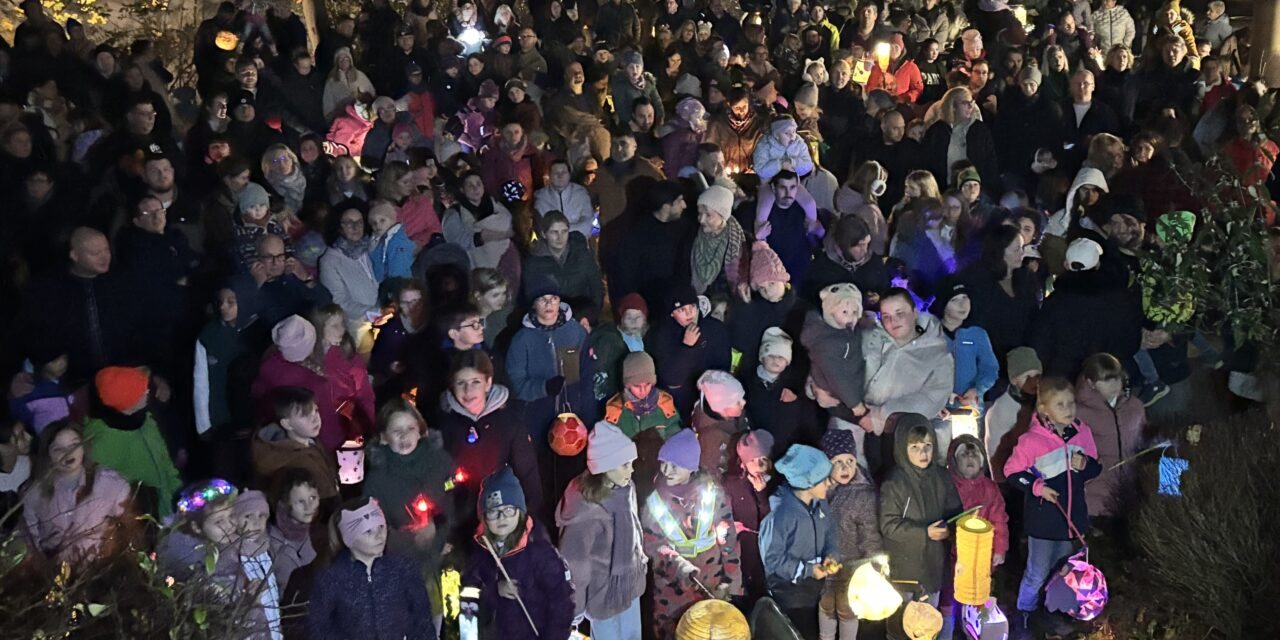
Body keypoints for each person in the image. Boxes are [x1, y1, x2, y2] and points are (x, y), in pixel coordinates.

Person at [1004, 377, 1101, 636]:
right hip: (1044, 521)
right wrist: (1037, 487)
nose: (1068, 409)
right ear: (1044, 409)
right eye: (1060, 404)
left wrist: (1086, 465)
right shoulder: (1031, 440)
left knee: (1063, 571)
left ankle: (1053, 612)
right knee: (1037, 572)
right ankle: (1024, 613)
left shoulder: (1082, 432)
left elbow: (1095, 466)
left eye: (1071, 403)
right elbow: (1012, 472)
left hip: (1071, 519)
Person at [362, 399, 456, 628]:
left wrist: (441, 531)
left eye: (410, 428)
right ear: (384, 437)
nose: (404, 436)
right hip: (405, 567)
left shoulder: (440, 462)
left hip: (447, 560)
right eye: (397, 431)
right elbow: (372, 527)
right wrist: (409, 537)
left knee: (452, 619)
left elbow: (456, 500)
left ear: (421, 431)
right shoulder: (378, 479)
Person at [555, 422, 648, 640]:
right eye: (625, 465)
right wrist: (574, 607)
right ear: (606, 467)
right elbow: (575, 565)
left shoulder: (626, 490)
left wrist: (640, 562)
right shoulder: (586, 510)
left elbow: (635, 531)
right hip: (602, 596)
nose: (632, 470)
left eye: (631, 463)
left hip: (629, 586)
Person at [463, 466, 575, 639]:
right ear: (484, 518)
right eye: (493, 512)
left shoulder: (539, 552)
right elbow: (469, 594)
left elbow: (562, 601)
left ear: (520, 512)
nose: (501, 517)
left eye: (508, 510)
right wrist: (494, 590)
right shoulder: (481, 552)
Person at [308, 497, 439, 639]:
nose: (379, 536)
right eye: (368, 531)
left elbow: (422, 621)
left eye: (381, 527)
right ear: (348, 539)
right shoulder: (331, 579)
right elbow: (319, 630)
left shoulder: (403, 569)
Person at [438, 350, 542, 527]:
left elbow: (527, 474)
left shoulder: (509, 423)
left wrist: (531, 517)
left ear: (488, 383)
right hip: (458, 518)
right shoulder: (444, 425)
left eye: (476, 382)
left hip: (501, 517)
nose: (468, 390)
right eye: (461, 383)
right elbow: (437, 478)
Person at [858, 289, 955, 474]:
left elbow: (932, 397)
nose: (893, 321)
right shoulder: (873, 339)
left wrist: (882, 413)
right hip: (865, 427)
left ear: (915, 313)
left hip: (909, 436)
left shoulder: (936, 352)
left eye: (899, 313)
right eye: (886, 316)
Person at [878, 413, 962, 611]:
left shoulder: (942, 477)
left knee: (930, 615)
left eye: (928, 446)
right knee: (905, 618)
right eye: (914, 447)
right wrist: (924, 533)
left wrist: (950, 529)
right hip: (905, 567)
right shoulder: (894, 482)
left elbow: (955, 512)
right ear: (902, 448)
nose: (923, 453)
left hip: (934, 564)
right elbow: (888, 525)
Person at [22, 419, 133, 562]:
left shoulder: (111, 485)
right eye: (58, 449)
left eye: (74, 445)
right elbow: (30, 541)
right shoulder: (33, 493)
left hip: (99, 569)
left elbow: (129, 528)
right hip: (54, 571)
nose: (68, 453)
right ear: (48, 455)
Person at [759, 444, 839, 637]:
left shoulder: (820, 504)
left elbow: (830, 531)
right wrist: (807, 570)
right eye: (823, 479)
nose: (829, 483)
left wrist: (832, 554)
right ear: (808, 483)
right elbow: (772, 560)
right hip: (790, 596)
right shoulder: (781, 515)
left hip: (814, 590)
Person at [83, 367, 182, 518]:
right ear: (127, 402)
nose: (147, 391)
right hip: (139, 516)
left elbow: (164, 460)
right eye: (140, 391)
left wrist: (178, 491)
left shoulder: (145, 420)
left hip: (165, 506)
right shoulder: (103, 441)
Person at [817, 429, 879, 640]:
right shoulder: (818, 490)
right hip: (825, 565)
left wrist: (872, 565)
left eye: (850, 461)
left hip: (852, 567)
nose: (845, 468)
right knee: (826, 607)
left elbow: (870, 534)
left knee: (848, 609)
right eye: (838, 462)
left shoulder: (863, 494)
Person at [1075, 353, 1146, 519]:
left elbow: (1149, 441)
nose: (1114, 385)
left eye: (1117, 378)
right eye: (1106, 380)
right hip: (1093, 499)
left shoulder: (1134, 406)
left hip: (1131, 495)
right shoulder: (1078, 413)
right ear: (1091, 383)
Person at [648, 285, 732, 416]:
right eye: (681, 309)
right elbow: (671, 380)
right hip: (679, 406)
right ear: (672, 313)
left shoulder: (715, 329)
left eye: (692, 307)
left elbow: (723, 368)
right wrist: (687, 347)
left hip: (710, 400)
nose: (689, 314)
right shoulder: (661, 336)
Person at [251, 386, 341, 502]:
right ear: (287, 424)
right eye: (305, 415)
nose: (315, 419)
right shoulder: (290, 460)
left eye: (316, 411)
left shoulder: (312, 442)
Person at [722, 429, 776, 608]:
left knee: (760, 592)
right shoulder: (731, 484)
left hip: (762, 549)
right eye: (753, 460)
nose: (758, 465)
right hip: (739, 548)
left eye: (763, 460)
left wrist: (761, 494)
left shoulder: (771, 485)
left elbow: (768, 521)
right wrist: (730, 525)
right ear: (743, 463)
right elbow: (722, 512)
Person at [267, 467, 320, 593]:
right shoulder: (268, 543)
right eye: (300, 501)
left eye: (312, 498)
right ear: (283, 503)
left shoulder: (318, 534)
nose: (308, 507)